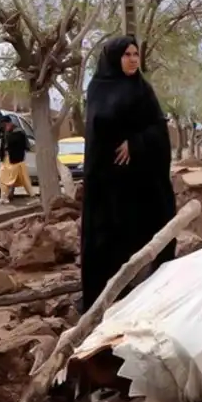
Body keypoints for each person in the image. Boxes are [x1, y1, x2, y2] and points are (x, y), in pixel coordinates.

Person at [80, 35, 176, 312]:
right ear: (114, 58)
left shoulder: (142, 89)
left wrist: (135, 142)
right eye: (127, 55)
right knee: (106, 245)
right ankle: (102, 303)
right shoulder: (98, 88)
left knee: (148, 237)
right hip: (107, 184)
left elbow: (158, 128)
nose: (133, 59)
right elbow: (98, 130)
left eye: (136, 54)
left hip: (140, 183)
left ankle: (151, 297)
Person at [0, 115, 33, 204]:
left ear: (10, 123)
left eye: (5, 124)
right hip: (6, 159)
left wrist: (8, 134)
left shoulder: (18, 132)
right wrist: (1, 130)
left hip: (16, 160)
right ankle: (3, 196)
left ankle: (33, 196)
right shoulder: (4, 131)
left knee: (24, 179)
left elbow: (19, 144)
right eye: (3, 125)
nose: (4, 126)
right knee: (1, 178)